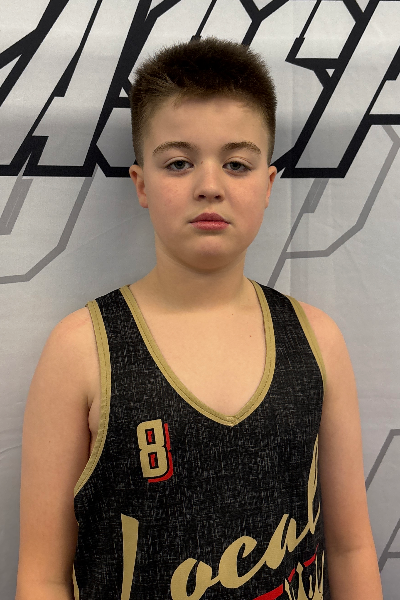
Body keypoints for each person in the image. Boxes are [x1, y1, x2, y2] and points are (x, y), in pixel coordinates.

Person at [15, 37, 383, 600]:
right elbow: (42, 577)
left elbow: (352, 548)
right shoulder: (81, 349)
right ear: (142, 183)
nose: (209, 185)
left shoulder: (316, 340)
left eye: (236, 164)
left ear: (268, 184)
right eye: (179, 163)